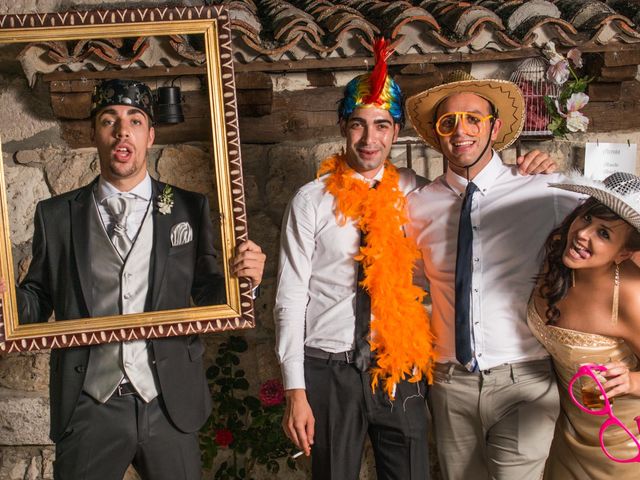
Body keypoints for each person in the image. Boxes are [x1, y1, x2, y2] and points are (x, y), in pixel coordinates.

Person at [274, 41, 554, 479]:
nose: (370, 139)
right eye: (359, 125)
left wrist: (531, 170)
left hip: (399, 365)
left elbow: (437, 266)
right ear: (343, 127)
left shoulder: (418, 193)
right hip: (329, 369)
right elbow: (290, 296)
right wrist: (295, 388)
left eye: (382, 125)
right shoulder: (309, 202)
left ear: (397, 130)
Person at [0, 79, 265, 480]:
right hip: (89, 400)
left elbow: (212, 292)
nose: (122, 130)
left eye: (135, 120)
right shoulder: (55, 215)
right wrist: (6, 300)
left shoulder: (188, 210)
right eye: (109, 120)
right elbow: (38, 299)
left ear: (150, 135)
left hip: (168, 399)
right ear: (94, 134)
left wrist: (246, 280)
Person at [404, 71, 582, 480]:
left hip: (525, 377)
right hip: (450, 382)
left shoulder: (545, 190)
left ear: (494, 128)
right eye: (448, 122)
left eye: (473, 119)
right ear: (437, 133)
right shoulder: (416, 207)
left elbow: (607, 239)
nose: (460, 131)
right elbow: (411, 284)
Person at [529, 171, 640, 479]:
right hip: (566, 437)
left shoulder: (631, 297)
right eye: (587, 218)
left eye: (604, 234)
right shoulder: (558, 259)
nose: (583, 233)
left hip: (622, 448)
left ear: (625, 253)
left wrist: (632, 382)